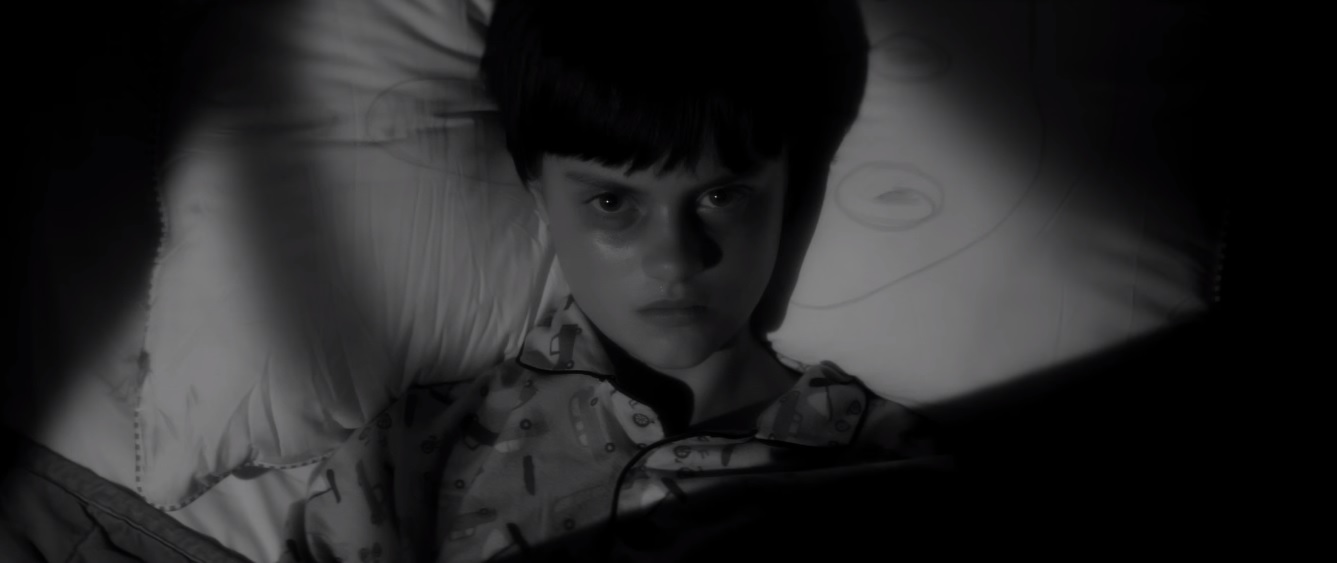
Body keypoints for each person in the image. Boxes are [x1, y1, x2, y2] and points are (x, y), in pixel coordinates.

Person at [292, 1, 951, 561]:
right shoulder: (408, 464)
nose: (674, 261)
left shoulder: (895, 467)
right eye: (612, 203)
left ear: (788, 189)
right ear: (540, 196)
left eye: (722, 196)